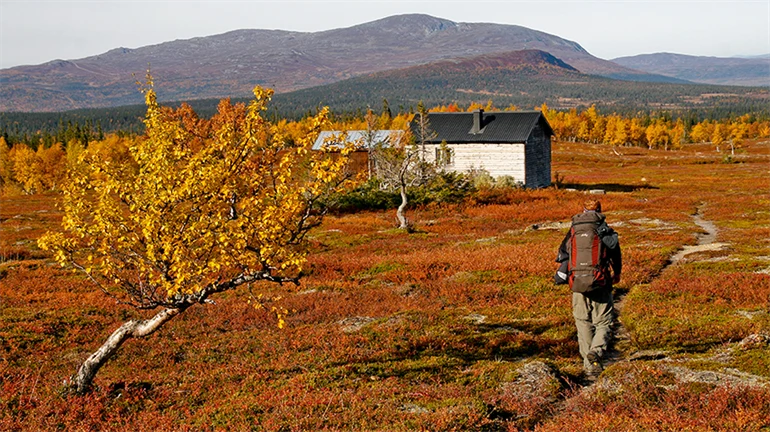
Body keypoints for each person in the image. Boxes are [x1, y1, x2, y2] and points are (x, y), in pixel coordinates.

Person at [554, 199, 621, 377]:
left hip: (577, 283)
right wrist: (617, 273)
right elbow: (615, 251)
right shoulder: (604, 229)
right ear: (600, 210)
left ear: (583, 210)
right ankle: (596, 353)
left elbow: (563, 254)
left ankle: (589, 366)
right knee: (604, 322)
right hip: (601, 281)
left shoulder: (574, 230)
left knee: (582, 322)